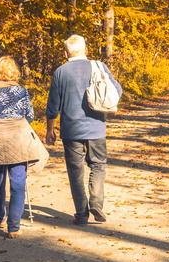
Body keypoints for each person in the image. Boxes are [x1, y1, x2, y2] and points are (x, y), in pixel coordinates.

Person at [45, 35, 122, 225]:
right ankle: (96, 203)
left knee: (75, 171)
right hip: (96, 128)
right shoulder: (98, 66)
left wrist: (50, 130)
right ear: (85, 49)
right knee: (98, 165)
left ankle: (81, 214)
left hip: (71, 130)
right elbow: (117, 89)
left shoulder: (60, 72)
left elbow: (53, 105)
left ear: (66, 52)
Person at [0, 56, 48, 238]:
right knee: (18, 182)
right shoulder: (21, 91)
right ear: (14, 72)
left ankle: (0, 217)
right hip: (18, 139)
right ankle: (14, 226)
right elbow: (30, 116)